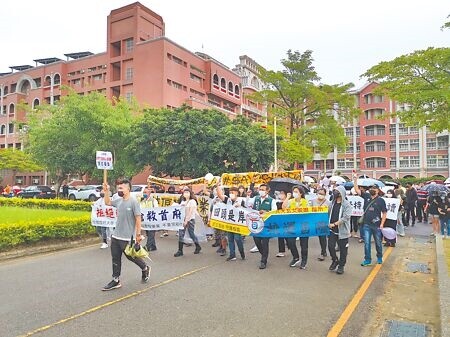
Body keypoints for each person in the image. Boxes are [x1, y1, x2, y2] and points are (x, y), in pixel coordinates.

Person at [102, 179, 150, 291]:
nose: (119, 190)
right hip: (116, 236)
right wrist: (106, 191)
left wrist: (138, 235)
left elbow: (138, 219)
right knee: (115, 258)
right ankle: (115, 280)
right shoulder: (118, 201)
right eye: (118, 188)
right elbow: (107, 202)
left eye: (121, 188)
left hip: (128, 237)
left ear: (128, 189)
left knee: (131, 257)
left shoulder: (134, 202)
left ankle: (145, 267)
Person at [353, 178, 387, 266]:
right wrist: (355, 179)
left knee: (378, 243)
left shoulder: (381, 200)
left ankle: (379, 257)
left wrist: (382, 224)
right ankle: (367, 259)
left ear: (378, 190)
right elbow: (357, 190)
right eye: (371, 188)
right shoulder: (366, 196)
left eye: (374, 188)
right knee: (367, 243)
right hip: (366, 225)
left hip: (377, 225)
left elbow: (384, 213)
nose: (372, 189)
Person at [250, 183, 277, 269]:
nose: (261, 191)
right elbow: (247, 205)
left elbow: (274, 212)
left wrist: (266, 212)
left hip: (266, 225)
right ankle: (264, 254)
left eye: (263, 189)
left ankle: (263, 261)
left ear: (267, 190)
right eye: (260, 189)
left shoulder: (272, 200)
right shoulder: (255, 198)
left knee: (265, 243)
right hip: (256, 224)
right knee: (257, 241)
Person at [283, 186, 309, 269]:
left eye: (296, 191)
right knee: (290, 242)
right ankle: (296, 257)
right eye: (294, 191)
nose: (294, 193)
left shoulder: (306, 202)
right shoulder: (291, 201)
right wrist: (287, 197)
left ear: (301, 193)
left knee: (304, 245)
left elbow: (310, 213)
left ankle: (304, 260)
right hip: (293, 225)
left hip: (303, 226)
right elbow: (284, 207)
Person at [217, 185, 246, 261]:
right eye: (230, 192)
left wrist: (240, 206)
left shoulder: (241, 200)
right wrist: (218, 186)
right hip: (229, 222)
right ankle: (232, 255)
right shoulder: (228, 200)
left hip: (237, 223)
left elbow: (246, 210)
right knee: (230, 239)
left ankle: (242, 253)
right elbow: (220, 195)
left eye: (232, 192)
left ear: (237, 193)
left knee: (237, 239)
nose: (231, 194)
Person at [327, 185, 352, 274]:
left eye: (337, 191)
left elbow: (346, 217)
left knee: (343, 250)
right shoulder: (331, 203)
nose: (335, 193)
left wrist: (335, 224)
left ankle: (341, 265)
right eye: (334, 191)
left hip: (342, 231)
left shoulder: (346, 204)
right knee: (330, 246)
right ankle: (335, 260)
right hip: (332, 230)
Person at [174, 187, 202, 257]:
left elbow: (190, 212)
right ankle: (180, 250)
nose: (186, 194)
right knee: (181, 234)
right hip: (182, 219)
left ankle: (197, 246)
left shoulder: (192, 201)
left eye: (187, 192)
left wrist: (186, 221)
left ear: (190, 194)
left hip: (190, 220)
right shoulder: (183, 201)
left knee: (191, 234)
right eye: (184, 192)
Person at [309, 187, 330, 261]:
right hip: (314, 223)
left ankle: (323, 252)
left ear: (325, 194)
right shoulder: (312, 201)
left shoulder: (328, 203)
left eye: (322, 194)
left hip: (323, 223)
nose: (321, 195)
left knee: (322, 238)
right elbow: (309, 211)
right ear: (317, 193)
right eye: (319, 193)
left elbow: (329, 213)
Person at [140, 187, 159, 251]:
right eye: (143, 192)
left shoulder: (154, 201)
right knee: (149, 233)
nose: (144, 194)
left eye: (145, 192)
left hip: (152, 220)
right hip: (145, 220)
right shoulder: (142, 201)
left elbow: (156, 209)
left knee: (151, 233)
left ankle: (147, 247)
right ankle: (153, 246)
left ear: (149, 193)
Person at [275, 190, 289, 257]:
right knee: (280, 235)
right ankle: (281, 251)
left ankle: (290, 246)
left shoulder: (289, 202)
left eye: (282, 193)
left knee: (288, 236)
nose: (281, 195)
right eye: (280, 193)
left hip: (288, 221)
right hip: (280, 221)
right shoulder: (277, 202)